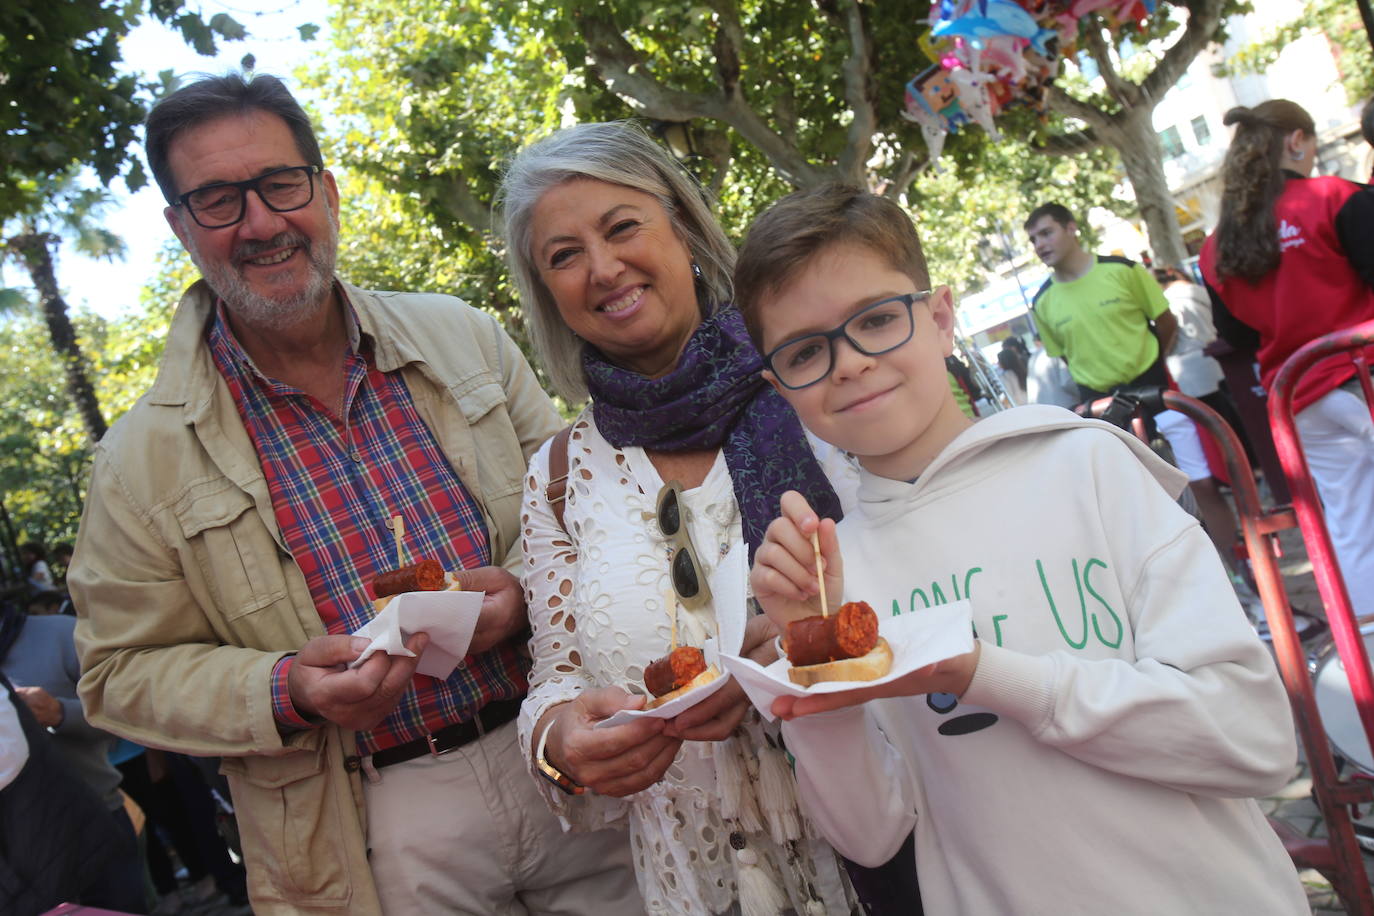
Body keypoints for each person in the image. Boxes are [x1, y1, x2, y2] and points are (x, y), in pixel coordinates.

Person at [67, 73, 640, 915]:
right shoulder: (138, 460)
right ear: (181, 227)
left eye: (280, 185)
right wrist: (285, 687)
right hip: (375, 818)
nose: (261, 223)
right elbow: (118, 673)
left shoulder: (461, 336)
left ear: (326, 192)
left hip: (558, 740)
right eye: (220, 200)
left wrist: (525, 592)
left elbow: (581, 500)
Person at [734, 184, 1308, 914]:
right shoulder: (831, 576)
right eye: (805, 351)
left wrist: (987, 674)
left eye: (876, 319)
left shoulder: (1088, 468)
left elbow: (1253, 739)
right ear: (779, 387)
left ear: (941, 318)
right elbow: (871, 835)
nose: (847, 363)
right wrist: (812, 654)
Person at [498, 121, 860, 915]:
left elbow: (932, 571)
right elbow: (557, 673)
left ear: (685, 228)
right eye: (563, 256)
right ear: (547, 292)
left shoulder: (814, 383)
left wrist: (806, 643)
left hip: (875, 831)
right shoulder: (559, 476)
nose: (602, 268)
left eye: (622, 227)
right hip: (698, 875)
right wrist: (558, 741)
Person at [1200, 99, 1374, 619]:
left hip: (1298, 399)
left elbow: (1236, 333)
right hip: (1361, 378)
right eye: (1313, 143)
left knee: (1351, 526)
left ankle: (1366, 648)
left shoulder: (1215, 248)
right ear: (1296, 141)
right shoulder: (1336, 197)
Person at [1026, 203, 1247, 598]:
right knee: (1134, 508)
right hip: (1104, 414)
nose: (1039, 245)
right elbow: (1066, 357)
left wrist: (1151, 371)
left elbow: (1166, 323)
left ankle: (1244, 580)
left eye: (1046, 233)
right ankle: (1179, 594)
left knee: (1202, 485)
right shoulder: (1043, 302)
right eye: (1033, 239)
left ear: (1072, 228)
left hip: (1160, 395)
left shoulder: (1124, 272)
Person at [0, 605, 146, 913]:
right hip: (21, 852)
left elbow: (129, 712)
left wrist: (60, 713)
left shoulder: (60, 633)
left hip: (100, 818)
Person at [1025, 332, 1077, 408]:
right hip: (1063, 406)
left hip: (1041, 408)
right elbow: (1068, 383)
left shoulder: (1033, 357)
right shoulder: (1054, 351)